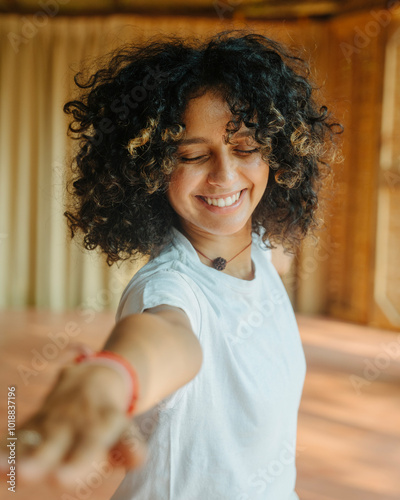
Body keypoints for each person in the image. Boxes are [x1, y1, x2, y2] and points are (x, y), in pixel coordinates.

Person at [0, 30, 341, 499]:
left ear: (276, 154)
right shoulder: (170, 288)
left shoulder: (259, 252)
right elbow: (164, 336)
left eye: (245, 148)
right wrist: (111, 376)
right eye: (193, 155)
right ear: (151, 170)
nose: (224, 175)